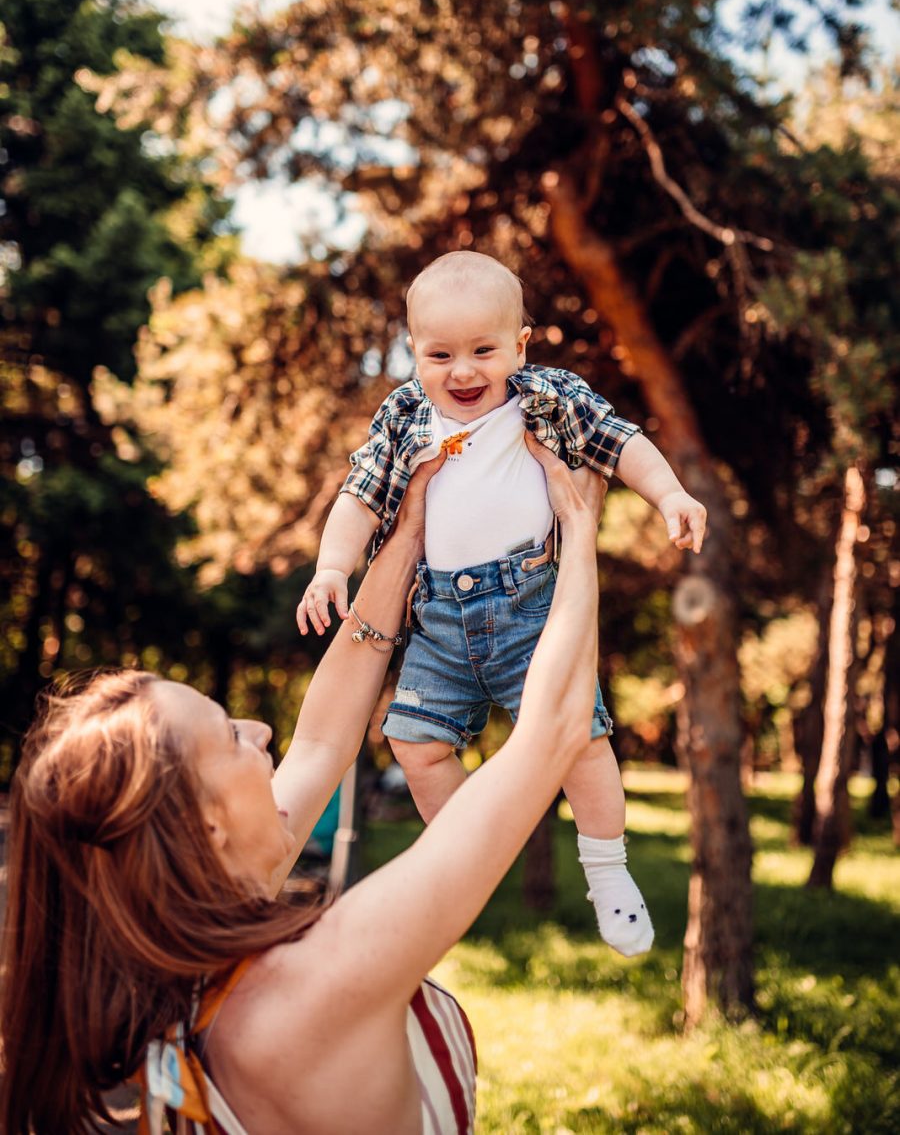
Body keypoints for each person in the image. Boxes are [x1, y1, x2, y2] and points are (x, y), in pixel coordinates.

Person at [1, 438, 605, 1135]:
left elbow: (323, 739)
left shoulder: (173, 970)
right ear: (204, 828)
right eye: (229, 735)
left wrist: (408, 536)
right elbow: (555, 728)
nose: (261, 730)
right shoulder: (318, 980)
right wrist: (578, 526)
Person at [297, 251, 706, 958]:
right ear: (414, 353)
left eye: (484, 351)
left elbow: (621, 441)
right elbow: (360, 495)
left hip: (530, 607)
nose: (463, 372)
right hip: (438, 624)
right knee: (415, 743)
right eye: (441, 353)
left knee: (581, 737)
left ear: (520, 344)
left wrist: (668, 493)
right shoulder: (403, 414)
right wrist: (333, 567)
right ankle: (470, 858)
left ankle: (607, 872)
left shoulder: (550, 397)